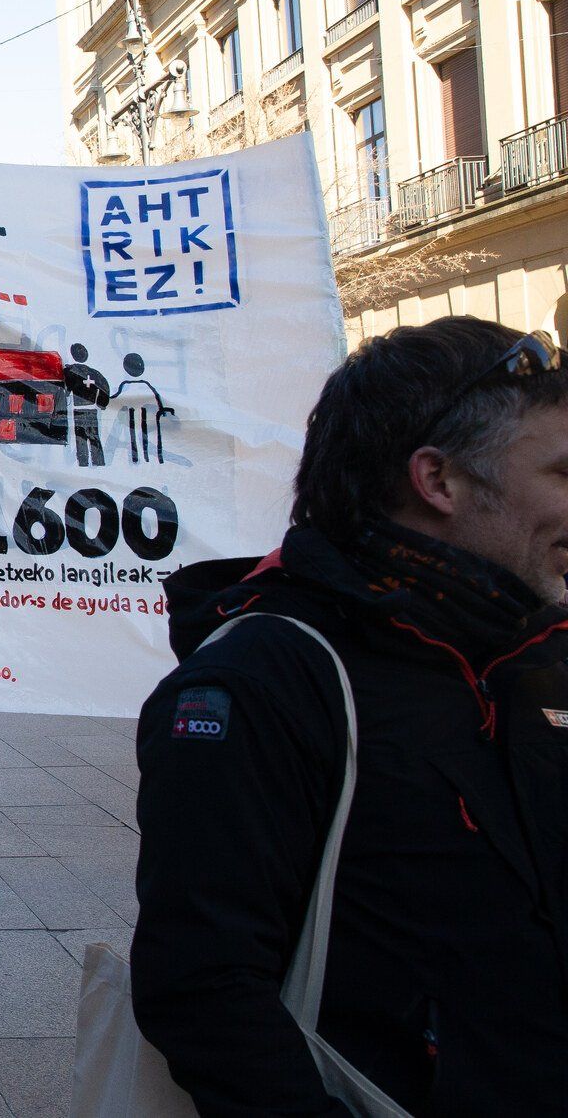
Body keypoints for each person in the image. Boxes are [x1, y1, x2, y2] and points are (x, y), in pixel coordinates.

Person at [133, 316, 568, 1113]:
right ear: (439, 481)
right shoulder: (264, 680)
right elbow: (203, 989)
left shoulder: (535, 655)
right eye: (562, 472)